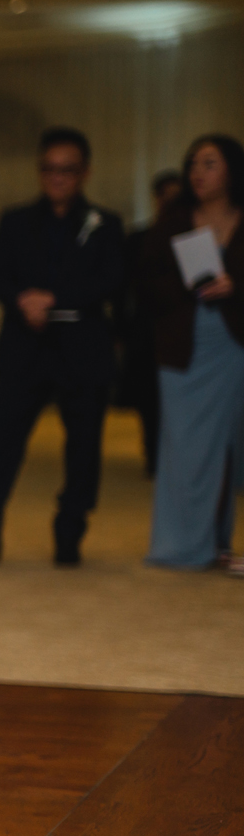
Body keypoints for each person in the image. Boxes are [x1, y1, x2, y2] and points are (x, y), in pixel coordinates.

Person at [0, 127, 124, 567]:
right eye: (50, 169)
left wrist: (54, 299)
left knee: (84, 448)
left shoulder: (105, 223)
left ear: (84, 172)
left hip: (82, 349)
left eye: (67, 170)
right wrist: (23, 301)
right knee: (2, 442)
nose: (57, 177)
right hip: (25, 346)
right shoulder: (15, 220)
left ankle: (70, 531)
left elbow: (112, 280)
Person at [141, 135, 244, 570]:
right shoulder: (173, 222)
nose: (198, 172)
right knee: (182, 448)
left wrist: (236, 286)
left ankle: (215, 542)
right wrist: (189, 283)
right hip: (183, 348)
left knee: (228, 447)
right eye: (193, 164)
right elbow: (145, 284)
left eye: (209, 163)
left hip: (234, 346)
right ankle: (180, 546)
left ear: (232, 170)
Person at [116, 169, 184, 475]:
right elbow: (123, 288)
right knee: (149, 398)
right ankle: (154, 454)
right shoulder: (139, 239)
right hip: (146, 330)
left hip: (182, 329)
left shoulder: (194, 237)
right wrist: (121, 329)